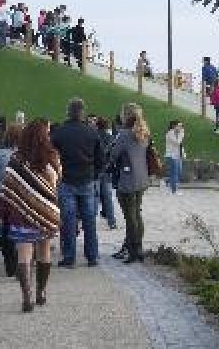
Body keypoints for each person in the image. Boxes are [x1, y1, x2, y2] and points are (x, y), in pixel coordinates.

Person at [0, 118, 61, 312]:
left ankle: (26, 296)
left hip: (21, 212)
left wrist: (1, 213)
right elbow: (57, 182)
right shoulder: (53, 157)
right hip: (47, 211)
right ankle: (41, 292)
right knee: (44, 250)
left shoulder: (16, 159)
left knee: (24, 253)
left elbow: (7, 188)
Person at [49, 98, 104, 268]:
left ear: (68, 112)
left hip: (66, 179)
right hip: (87, 178)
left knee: (68, 220)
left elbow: (51, 155)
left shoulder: (60, 132)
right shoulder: (92, 132)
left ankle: (69, 256)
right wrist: (95, 173)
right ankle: (92, 256)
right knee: (89, 220)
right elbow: (101, 157)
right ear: (83, 112)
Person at [108, 103, 151, 264]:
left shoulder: (124, 134)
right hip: (142, 178)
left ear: (125, 115)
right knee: (137, 215)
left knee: (130, 217)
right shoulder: (144, 132)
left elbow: (113, 155)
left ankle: (133, 250)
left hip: (127, 180)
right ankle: (138, 249)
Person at [95, 118, 120, 229]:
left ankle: (92, 221)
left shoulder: (93, 136)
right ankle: (112, 221)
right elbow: (113, 154)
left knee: (95, 197)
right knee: (108, 197)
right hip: (106, 169)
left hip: (95, 169)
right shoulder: (111, 138)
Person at [164, 120, 185, 195]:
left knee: (179, 171)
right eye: (179, 126)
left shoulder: (178, 133)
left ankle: (166, 182)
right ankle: (174, 190)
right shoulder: (170, 133)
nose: (181, 127)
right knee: (174, 173)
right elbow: (177, 142)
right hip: (171, 156)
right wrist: (182, 134)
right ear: (174, 126)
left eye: (181, 126)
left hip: (178, 155)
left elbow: (180, 145)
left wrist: (183, 154)